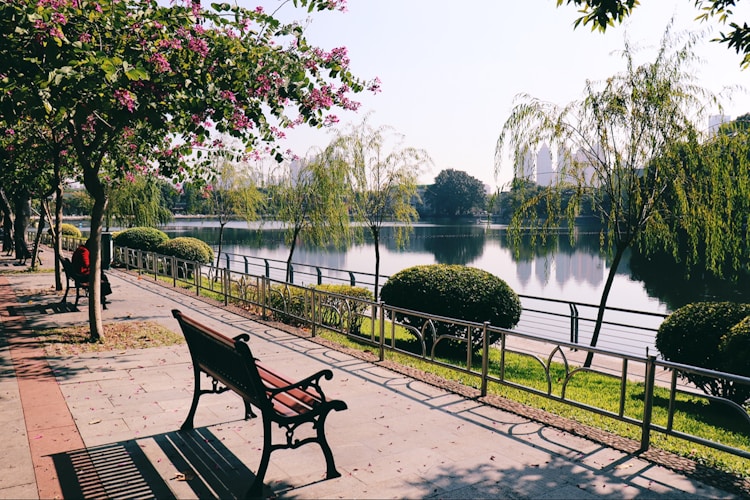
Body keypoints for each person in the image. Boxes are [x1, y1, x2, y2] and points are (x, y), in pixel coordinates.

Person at [72, 237, 112, 303]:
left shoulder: (81, 249)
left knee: (102, 275)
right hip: (82, 275)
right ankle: (101, 297)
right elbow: (86, 264)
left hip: (78, 273)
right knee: (102, 277)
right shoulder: (84, 251)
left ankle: (102, 297)